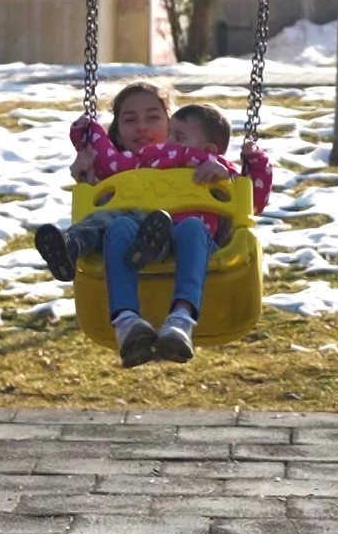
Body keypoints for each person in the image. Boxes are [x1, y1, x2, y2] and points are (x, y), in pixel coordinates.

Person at [34, 83, 240, 368]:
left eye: (153, 117)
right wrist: (87, 178)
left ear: (171, 124)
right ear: (116, 132)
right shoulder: (117, 170)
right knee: (118, 225)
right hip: (133, 242)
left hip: (186, 240)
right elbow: (95, 207)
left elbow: (243, 193)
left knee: (191, 226)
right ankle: (127, 324)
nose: (141, 126)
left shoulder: (193, 160)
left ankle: (180, 322)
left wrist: (223, 171)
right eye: (130, 120)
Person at [123, 104, 272, 364]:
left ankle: (181, 319)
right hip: (154, 243)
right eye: (169, 135)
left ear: (209, 151)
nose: (168, 143)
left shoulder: (219, 170)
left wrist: (243, 168)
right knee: (142, 224)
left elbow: (255, 200)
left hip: (201, 246)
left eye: (179, 138)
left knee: (192, 226)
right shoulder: (155, 166)